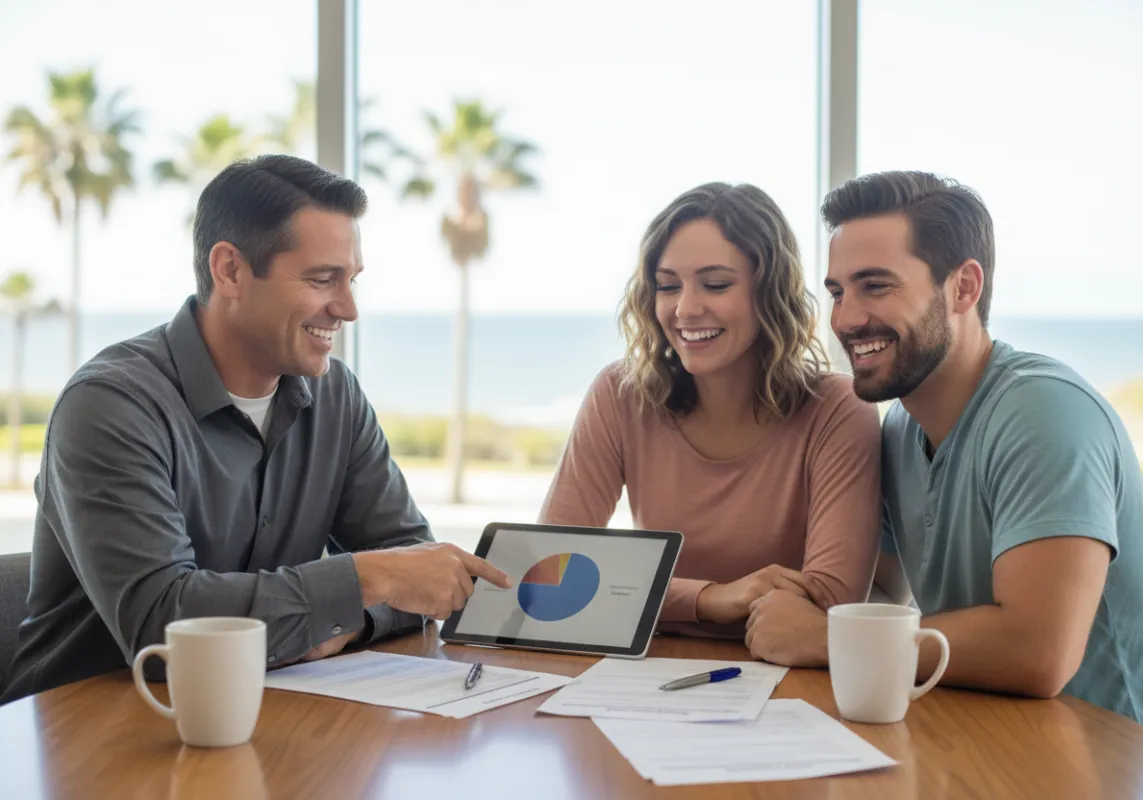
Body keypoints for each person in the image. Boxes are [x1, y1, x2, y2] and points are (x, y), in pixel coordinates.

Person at [1, 155, 510, 703]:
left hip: (259, 717)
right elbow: (164, 624)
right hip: (92, 730)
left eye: (352, 279)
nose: (348, 308)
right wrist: (360, 582)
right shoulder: (110, 406)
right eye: (322, 279)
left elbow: (416, 570)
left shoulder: (335, 396)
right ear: (231, 271)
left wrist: (350, 620)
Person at [745, 170, 1143, 749]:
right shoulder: (902, 426)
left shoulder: (1044, 413)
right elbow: (882, 593)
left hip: (1132, 760)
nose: (846, 319)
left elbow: (1039, 652)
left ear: (963, 288)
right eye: (838, 292)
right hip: (996, 739)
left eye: (876, 286)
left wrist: (826, 640)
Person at [538, 182, 883, 635]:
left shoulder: (837, 409)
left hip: (790, 674)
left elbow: (830, 606)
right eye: (667, 286)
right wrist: (708, 598)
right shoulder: (620, 394)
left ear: (770, 292)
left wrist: (636, 593)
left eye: (716, 284)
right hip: (646, 672)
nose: (684, 309)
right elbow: (548, 575)